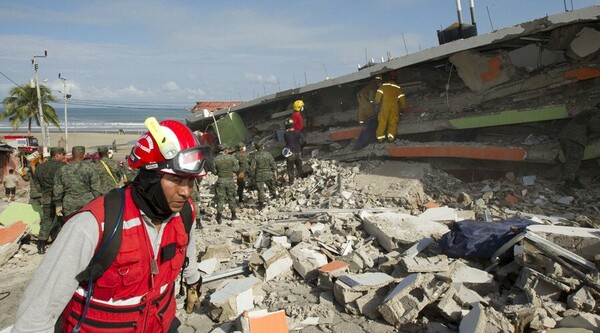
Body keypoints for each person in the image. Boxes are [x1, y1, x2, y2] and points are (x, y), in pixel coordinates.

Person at [12, 119, 206, 332]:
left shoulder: (185, 213)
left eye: (190, 181)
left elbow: (187, 251)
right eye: (177, 180)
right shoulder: (91, 226)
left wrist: (193, 281)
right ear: (151, 177)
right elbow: (36, 316)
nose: (186, 191)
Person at [558, 104, 600, 194]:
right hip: (576, 138)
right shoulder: (597, 114)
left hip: (565, 136)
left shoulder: (587, 112)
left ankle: (574, 181)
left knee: (571, 160)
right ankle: (566, 186)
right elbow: (594, 127)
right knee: (573, 161)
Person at [33, 146, 67, 254]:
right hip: (60, 199)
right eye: (62, 154)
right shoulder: (62, 167)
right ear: (57, 155)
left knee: (47, 220)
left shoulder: (40, 167)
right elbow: (65, 183)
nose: (64, 157)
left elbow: (37, 185)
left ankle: (41, 245)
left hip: (46, 197)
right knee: (63, 220)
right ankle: (61, 244)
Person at [53, 146, 102, 217]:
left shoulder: (62, 170)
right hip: (87, 203)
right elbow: (96, 189)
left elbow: (58, 189)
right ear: (83, 155)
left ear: (72, 155)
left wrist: (58, 204)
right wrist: (97, 202)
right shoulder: (89, 169)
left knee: (70, 225)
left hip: (69, 203)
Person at [207, 144, 239, 223]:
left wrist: (220, 172)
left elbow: (214, 172)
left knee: (220, 199)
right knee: (231, 197)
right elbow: (236, 169)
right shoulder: (231, 158)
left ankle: (219, 217)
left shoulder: (215, 159)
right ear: (225, 150)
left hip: (221, 180)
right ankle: (233, 215)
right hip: (230, 180)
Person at [374, 71, 406, 143]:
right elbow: (402, 99)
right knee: (393, 122)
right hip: (394, 107)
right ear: (396, 79)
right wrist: (403, 108)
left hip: (384, 106)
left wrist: (377, 103)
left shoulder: (384, 85)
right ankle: (390, 138)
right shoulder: (398, 88)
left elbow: (378, 96)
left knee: (382, 121)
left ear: (389, 78)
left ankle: (380, 138)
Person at [249, 141, 277, 210]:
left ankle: (261, 204)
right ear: (262, 146)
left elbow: (252, 168)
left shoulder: (255, 156)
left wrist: (251, 175)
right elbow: (273, 163)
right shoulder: (267, 154)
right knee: (271, 185)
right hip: (267, 173)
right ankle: (274, 196)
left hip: (259, 175)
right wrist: (274, 171)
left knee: (260, 189)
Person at [283, 119, 305, 184]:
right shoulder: (298, 133)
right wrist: (300, 148)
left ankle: (291, 182)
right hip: (298, 152)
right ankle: (302, 178)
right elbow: (303, 141)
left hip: (290, 153)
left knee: (290, 169)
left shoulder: (286, 134)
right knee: (299, 166)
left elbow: (286, 141)